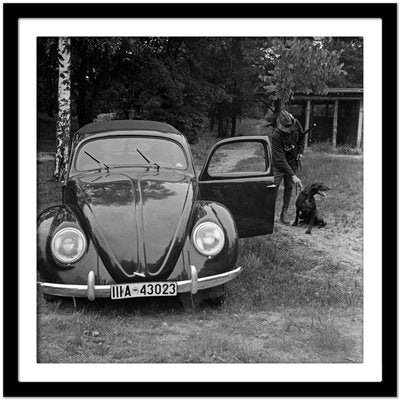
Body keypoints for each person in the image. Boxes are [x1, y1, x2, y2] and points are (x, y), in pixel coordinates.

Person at [270, 109, 306, 225]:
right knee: (273, 188)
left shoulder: (296, 124)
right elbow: (280, 159)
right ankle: (269, 214)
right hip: (279, 164)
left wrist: (300, 151)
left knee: (289, 187)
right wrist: (293, 175)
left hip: (292, 160)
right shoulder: (275, 136)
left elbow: (302, 137)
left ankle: (284, 213)